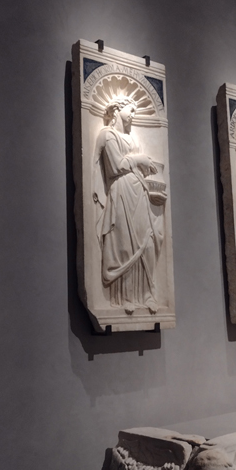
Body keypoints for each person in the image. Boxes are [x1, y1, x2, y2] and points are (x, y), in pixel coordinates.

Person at [93, 97, 164, 314]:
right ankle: (126, 296)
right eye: (130, 109)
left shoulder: (132, 139)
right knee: (124, 245)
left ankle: (147, 294)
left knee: (146, 241)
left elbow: (134, 165)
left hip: (139, 192)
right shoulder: (107, 135)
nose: (133, 114)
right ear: (117, 110)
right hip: (122, 191)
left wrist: (148, 169)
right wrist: (140, 160)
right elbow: (117, 166)